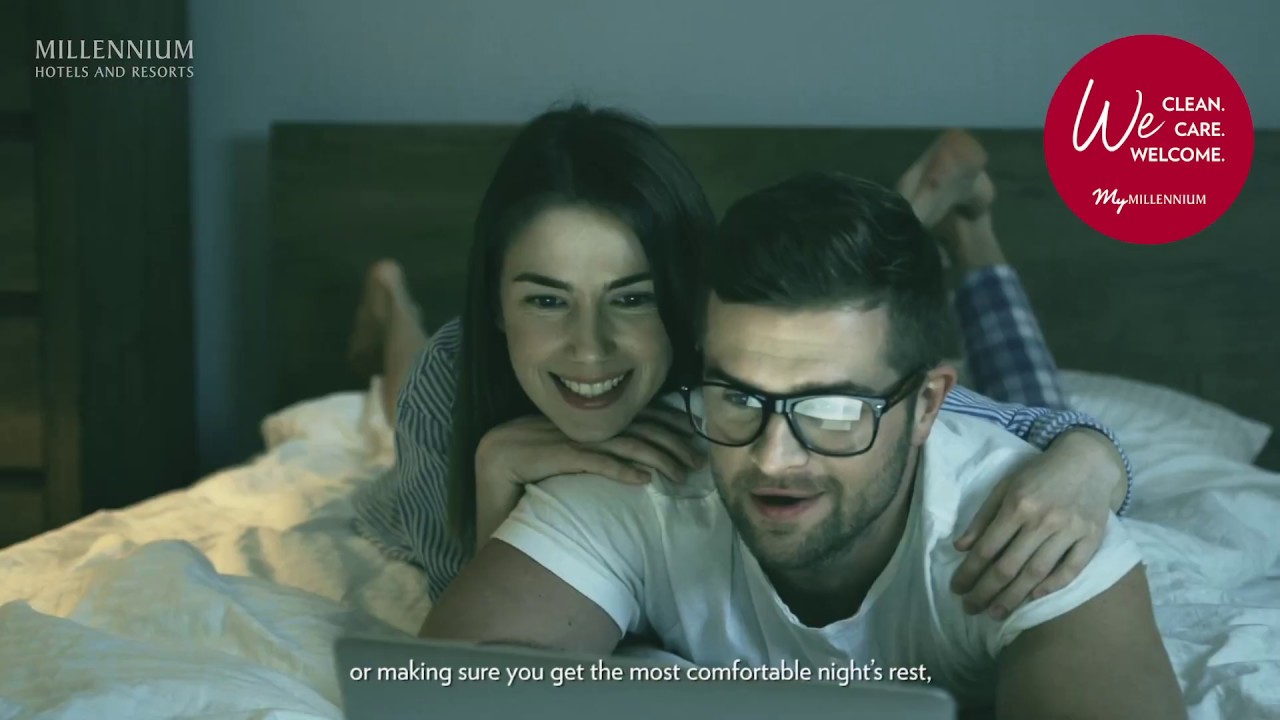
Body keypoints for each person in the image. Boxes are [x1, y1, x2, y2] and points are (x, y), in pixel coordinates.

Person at [420, 170, 1185, 718]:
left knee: (1041, 399)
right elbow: (448, 695)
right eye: (737, 396)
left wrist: (1091, 457)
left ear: (925, 406)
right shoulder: (637, 470)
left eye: (832, 408)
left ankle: (969, 229)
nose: (773, 459)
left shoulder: (1027, 531)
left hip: (1010, 440)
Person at [349, 104, 1134, 618]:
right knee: (405, 379)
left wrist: (1088, 466)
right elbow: (471, 659)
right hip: (447, 386)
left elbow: (1044, 428)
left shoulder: (743, 365)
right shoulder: (452, 379)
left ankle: (960, 224)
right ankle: (393, 306)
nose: (590, 348)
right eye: (546, 300)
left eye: (632, 297)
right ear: (495, 303)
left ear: (686, 301)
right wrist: (494, 475)